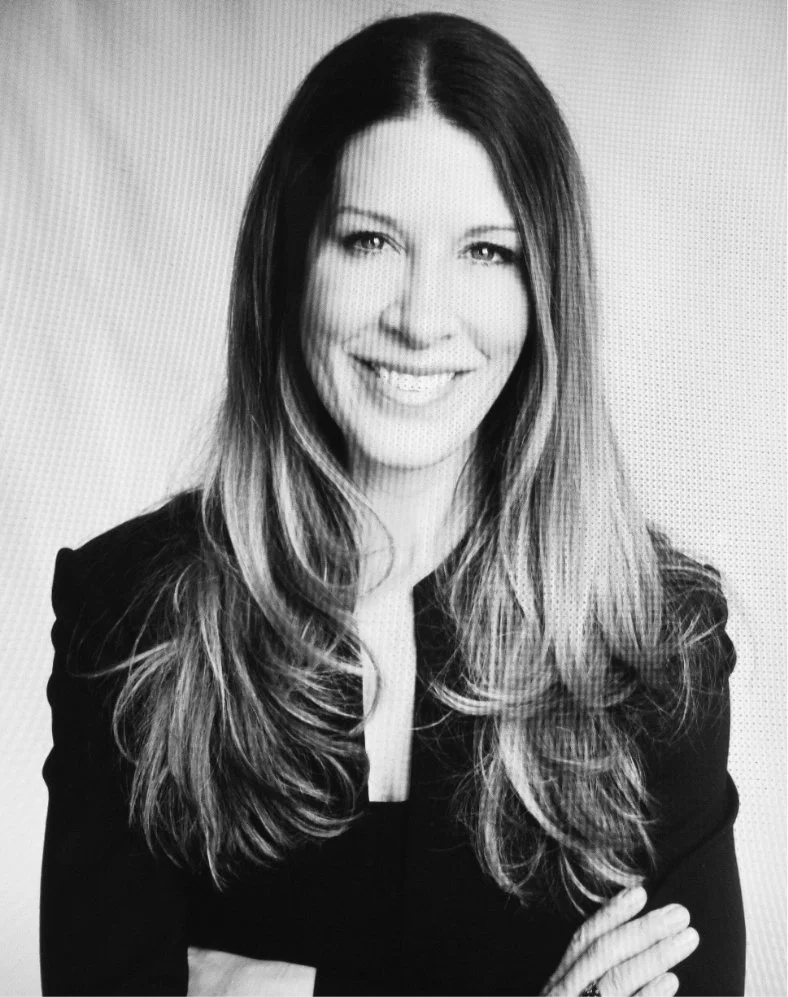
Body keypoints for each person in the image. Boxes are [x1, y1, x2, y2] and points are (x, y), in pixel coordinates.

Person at [40, 12, 745, 997]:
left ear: (546, 294)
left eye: (486, 253)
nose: (419, 316)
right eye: (370, 239)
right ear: (291, 261)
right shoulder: (132, 611)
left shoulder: (654, 639)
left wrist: (276, 988)